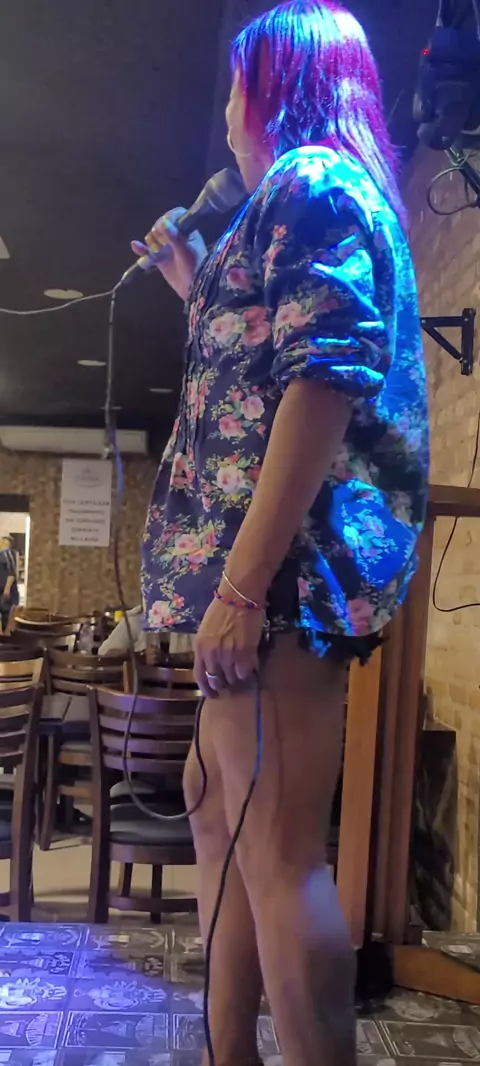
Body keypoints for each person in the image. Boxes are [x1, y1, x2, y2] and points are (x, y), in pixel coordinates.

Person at [139, 3, 429, 1065]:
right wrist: (195, 285)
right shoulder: (293, 202)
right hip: (270, 576)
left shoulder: (314, 180)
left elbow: (321, 380)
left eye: (234, 86)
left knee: (276, 846)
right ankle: (230, 1054)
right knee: (215, 803)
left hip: (286, 579)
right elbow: (265, 366)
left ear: (275, 85)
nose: (224, 113)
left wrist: (243, 584)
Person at [0, 535, 19, 633]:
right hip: (2, 592)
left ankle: (7, 638)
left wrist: (7, 589)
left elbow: (12, 573)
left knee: (8, 616)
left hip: (7, 592)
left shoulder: (6, 552)